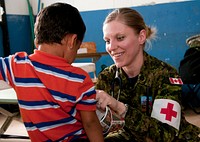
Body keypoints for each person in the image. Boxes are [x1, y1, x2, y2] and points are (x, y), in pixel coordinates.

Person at [0, 3, 104, 142]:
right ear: (72, 41)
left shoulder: (17, 65)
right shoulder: (79, 79)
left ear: (37, 38)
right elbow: (90, 123)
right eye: (77, 48)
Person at [95, 7, 200, 141]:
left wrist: (120, 108)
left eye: (120, 38)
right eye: (107, 41)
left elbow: (165, 135)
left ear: (141, 37)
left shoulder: (165, 75)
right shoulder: (107, 77)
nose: (111, 47)